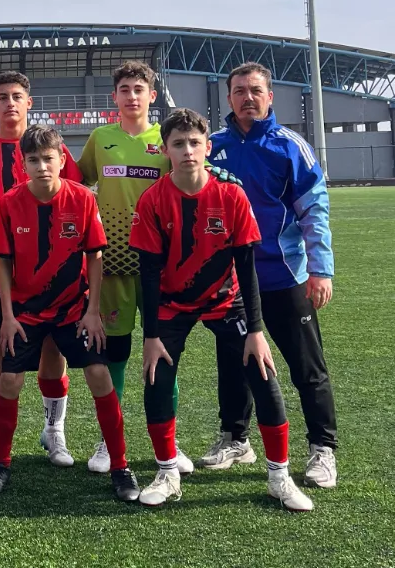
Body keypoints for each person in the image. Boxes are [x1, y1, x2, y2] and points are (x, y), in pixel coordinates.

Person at [129, 108, 313, 511]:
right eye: (178, 144)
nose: (188, 150)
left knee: (263, 373)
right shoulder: (154, 199)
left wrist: (256, 331)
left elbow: (247, 266)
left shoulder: (231, 194)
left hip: (226, 300)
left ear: (208, 148)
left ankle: (279, 477)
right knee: (157, 376)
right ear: (165, 150)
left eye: (195, 143)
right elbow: (149, 273)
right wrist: (151, 336)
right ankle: (167, 472)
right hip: (172, 302)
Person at [0, 125, 140, 501]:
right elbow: (3, 262)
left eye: (48, 158)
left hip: (73, 310)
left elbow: (95, 257)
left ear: (61, 159)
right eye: (33, 160)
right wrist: (8, 316)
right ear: (22, 164)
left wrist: (93, 311)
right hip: (26, 312)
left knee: (99, 374)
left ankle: (120, 466)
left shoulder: (82, 198)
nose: (42, 166)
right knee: (10, 381)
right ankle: (0, 463)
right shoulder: (10, 202)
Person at [207, 62, 338, 488]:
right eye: (239, 91)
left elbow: (314, 210)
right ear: (229, 98)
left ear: (270, 96)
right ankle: (235, 438)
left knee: (307, 368)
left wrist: (320, 270)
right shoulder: (212, 146)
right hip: (231, 283)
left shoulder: (289, 146)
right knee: (234, 362)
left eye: (255, 90)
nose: (248, 98)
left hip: (283, 276)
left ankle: (322, 448)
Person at [0, 71, 82, 467]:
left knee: (52, 350)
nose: (10, 102)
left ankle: (54, 431)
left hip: (50, 270)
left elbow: (74, 196)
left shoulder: (54, 149)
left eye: (17, 96)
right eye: (3, 96)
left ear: (29, 102)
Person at [76, 61, 192, 475]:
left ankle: (170, 442)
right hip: (112, 264)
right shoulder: (100, 138)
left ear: (152, 96)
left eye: (138, 89)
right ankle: (109, 443)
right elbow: (77, 182)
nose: (131, 96)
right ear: (115, 96)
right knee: (117, 354)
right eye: (124, 89)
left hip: (158, 264)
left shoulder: (166, 139)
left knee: (165, 352)